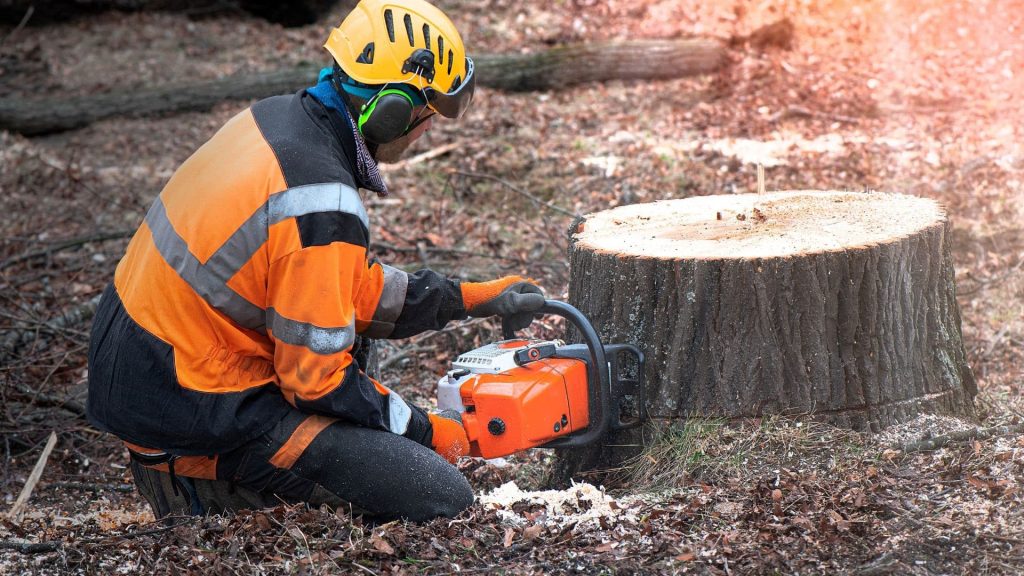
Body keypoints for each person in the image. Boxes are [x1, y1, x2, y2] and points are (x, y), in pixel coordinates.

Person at [87, 0, 544, 523]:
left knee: (354, 351)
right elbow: (317, 382)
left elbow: (339, 291)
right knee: (440, 494)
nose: (427, 128)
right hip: (196, 414)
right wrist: (427, 431)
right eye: (428, 111)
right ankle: (211, 490)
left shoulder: (277, 120)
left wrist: (467, 299)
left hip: (162, 380)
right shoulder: (320, 198)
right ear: (392, 106)